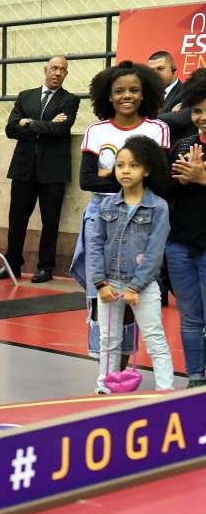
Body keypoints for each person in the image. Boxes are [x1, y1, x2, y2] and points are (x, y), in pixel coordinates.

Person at [70, 61, 169, 370]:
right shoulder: (96, 131)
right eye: (119, 91)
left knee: (132, 295)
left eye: (134, 90)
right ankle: (107, 371)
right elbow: (87, 181)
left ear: (145, 94)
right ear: (108, 96)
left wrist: (108, 174)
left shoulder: (157, 129)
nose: (127, 96)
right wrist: (132, 178)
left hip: (142, 216)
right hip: (101, 214)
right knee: (101, 293)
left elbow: (160, 180)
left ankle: (123, 369)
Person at [86, 136, 173, 394]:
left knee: (154, 338)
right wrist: (100, 283)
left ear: (146, 170)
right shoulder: (106, 204)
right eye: (120, 165)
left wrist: (135, 287)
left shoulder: (158, 207)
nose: (125, 170)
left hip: (143, 286)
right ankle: (105, 388)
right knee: (108, 340)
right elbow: (95, 246)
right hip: (109, 283)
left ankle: (165, 392)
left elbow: (155, 252)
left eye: (133, 165)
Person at [0, 56, 81, 283]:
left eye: (62, 70)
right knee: (16, 220)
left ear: (66, 74)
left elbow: (61, 130)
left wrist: (28, 123)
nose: (57, 73)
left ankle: (46, 267)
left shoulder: (70, 100)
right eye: (54, 68)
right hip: (24, 169)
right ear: (45, 69)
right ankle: (12, 264)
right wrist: (43, 125)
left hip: (53, 171)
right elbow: (11, 129)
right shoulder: (25, 96)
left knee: (50, 221)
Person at [159, 71, 206, 388]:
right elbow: (168, 195)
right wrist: (178, 180)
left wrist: (203, 179)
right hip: (179, 245)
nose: (202, 117)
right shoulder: (184, 145)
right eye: (198, 110)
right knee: (189, 318)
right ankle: (194, 378)